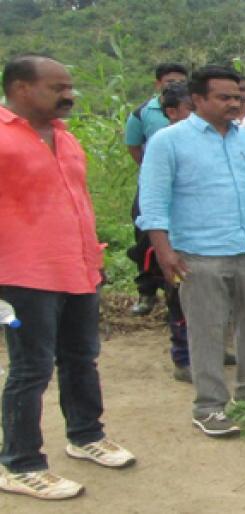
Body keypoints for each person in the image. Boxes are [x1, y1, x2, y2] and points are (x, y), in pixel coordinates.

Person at [0, 54, 136, 501]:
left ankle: (85, 436)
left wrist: (92, 260)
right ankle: (19, 464)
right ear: (22, 88)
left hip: (77, 268)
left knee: (81, 357)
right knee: (31, 368)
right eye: (58, 87)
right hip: (21, 274)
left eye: (70, 86)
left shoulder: (65, 137)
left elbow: (77, 201)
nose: (69, 94)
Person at [137, 65, 245, 437]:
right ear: (198, 99)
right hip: (198, 253)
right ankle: (209, 406)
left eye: (238, 97)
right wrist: (164, 251)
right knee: (207, 329)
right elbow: (152, 202)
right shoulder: (169, 141)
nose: (234, 103)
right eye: (224, 97)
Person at [125, 62, 189, 316]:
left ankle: (177, 303)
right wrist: (154, 173)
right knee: (146, 241)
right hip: (154, 187)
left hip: (185, 190)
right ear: (158, 84)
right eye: (169, 81)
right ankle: (147, 292)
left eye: (180, 80)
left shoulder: (193, 109)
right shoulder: (142, 113)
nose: (174, 85)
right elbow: (134, 146)